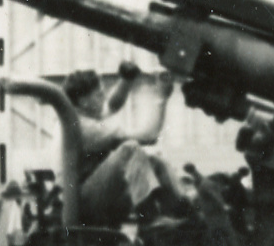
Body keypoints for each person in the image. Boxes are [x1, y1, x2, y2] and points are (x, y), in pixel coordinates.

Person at [63, 61, 188, 227]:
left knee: (155, 162)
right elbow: (148, 136)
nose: (104, 98)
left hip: (93, 196)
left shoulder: (80, 114)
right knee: (130, 149)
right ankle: (150, 221)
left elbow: (112, 104)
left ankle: (184, 211)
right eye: (99, 95)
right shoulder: (83, 128)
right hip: (83, 205)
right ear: (83, 102)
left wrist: (126, 79)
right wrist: (161, 97)